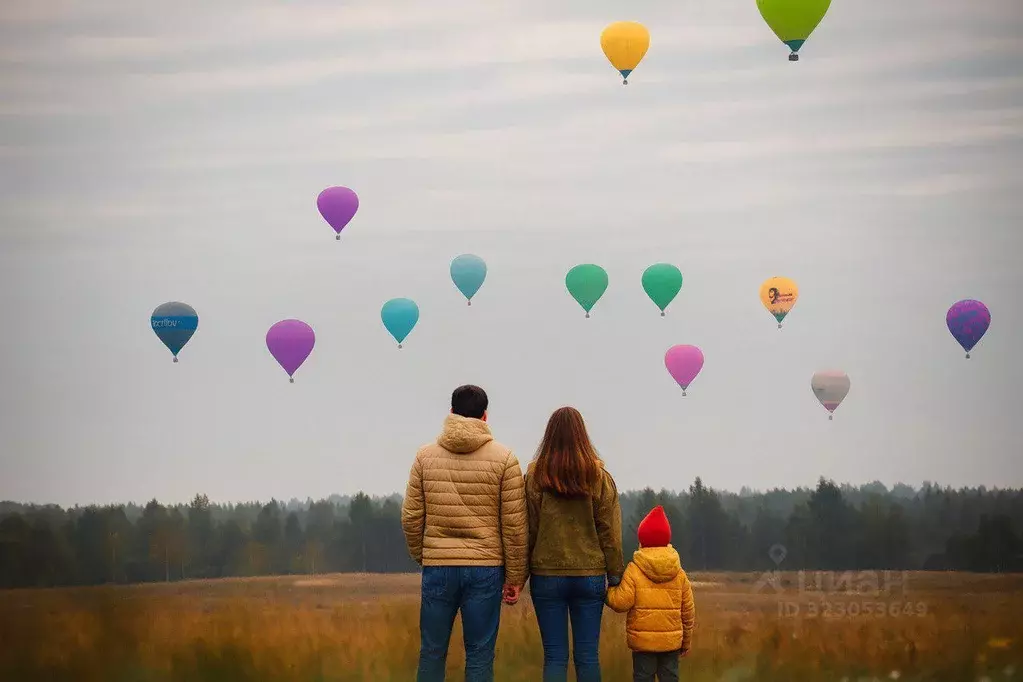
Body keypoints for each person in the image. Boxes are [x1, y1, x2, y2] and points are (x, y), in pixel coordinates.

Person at [401, 385, 528, 682]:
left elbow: (411, 517)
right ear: (485, 416)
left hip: (438, 567)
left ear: (451, 413)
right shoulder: (505, 459)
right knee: (480, 655)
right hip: (486, 569)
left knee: (431, 653)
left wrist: (426, 555)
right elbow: (514, 526)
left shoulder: (424, 457)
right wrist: (515, 577)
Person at [524, 406, 625, 682]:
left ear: (549, 436)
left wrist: (517, 576)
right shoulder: (600, 477)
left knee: (555, 657)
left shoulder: (535, 477)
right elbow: (611, 533)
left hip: (546, 576)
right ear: (583, 435)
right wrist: (615, 575)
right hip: (590, 575)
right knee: (588, 656)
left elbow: (527, 530)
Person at [605, 505, 696, 682]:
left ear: (642, 540)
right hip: (671, 645)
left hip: (643, 644)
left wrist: (606, 592)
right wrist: (686, 642)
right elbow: (688, 612)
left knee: (643, 678)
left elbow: (621, 602)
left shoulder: (634, 569)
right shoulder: (679, 574)